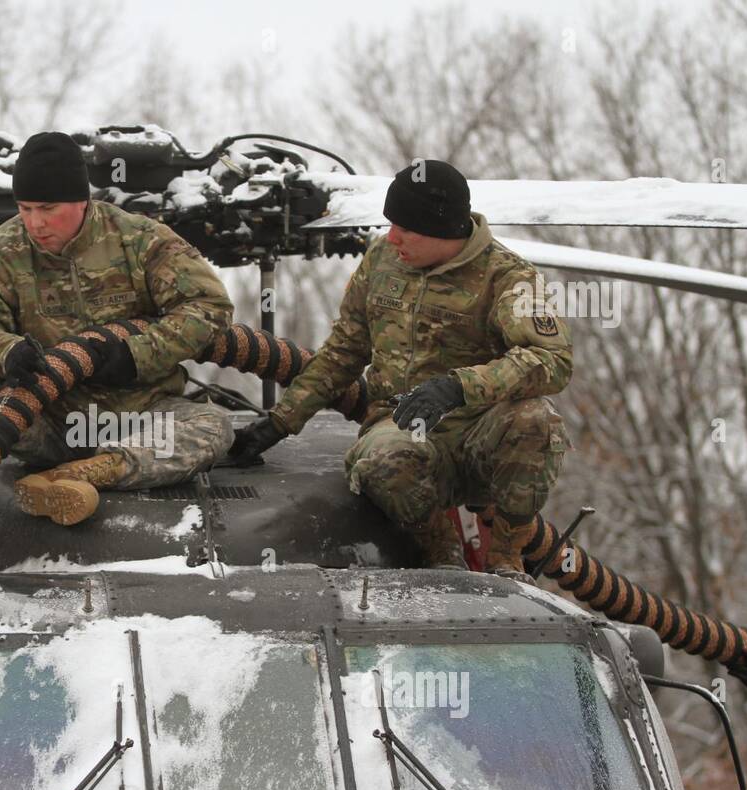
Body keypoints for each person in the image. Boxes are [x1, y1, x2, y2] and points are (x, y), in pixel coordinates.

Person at [0, 131, 235, 582]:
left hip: (135, 419)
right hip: (44, 420)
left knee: (214, 426)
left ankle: (84, 475)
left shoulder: (140, 240)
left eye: (48, 209)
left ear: (81, 200)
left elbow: (210, 307)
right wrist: (6, 351)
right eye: (25, 209)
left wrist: (136, 354)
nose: (35, 222)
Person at [230, 159, 572, 582]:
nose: (392, 238)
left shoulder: (507, 278)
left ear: (443, 231)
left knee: (537, 420)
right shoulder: (382, 260)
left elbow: (553, 359)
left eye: (406, 229)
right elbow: (344, 350)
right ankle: (440, 547)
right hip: (403, 428)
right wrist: (281, 422)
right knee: (383, 460)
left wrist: (458, 387)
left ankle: (505, 555)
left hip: (481, 435)